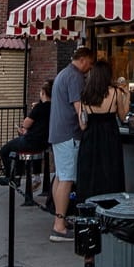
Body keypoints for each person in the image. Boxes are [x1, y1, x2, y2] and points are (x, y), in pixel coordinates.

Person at [48, 47, 94, 241]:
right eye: (90, 63)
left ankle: (60, 218)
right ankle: (59, 226)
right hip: (69, 134)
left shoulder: (62, 74)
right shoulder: (75, 77)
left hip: (58, 133)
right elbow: (79, 106)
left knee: (60, 176)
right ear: (83, 60)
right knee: (67, 178)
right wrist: (84, 123)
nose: (90, 68)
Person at [76, 61, 127, 203]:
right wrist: (127, 96)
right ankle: (111, 208)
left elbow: (82, 125)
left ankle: (90, 207)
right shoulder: (115, 92)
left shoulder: (85, 95)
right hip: (110, 136)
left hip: (90, 137)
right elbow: (123, 117)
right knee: (111, 173)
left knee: (90, 174)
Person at [0, 80, 51, 184]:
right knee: (17, 150)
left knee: (5, 150)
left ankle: (11, 177)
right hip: (45, 143)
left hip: (31, 141)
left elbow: (26, 124)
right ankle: (20, 176)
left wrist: (23, 128)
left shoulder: (39, 107)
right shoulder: (54, 107)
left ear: (43, 93)